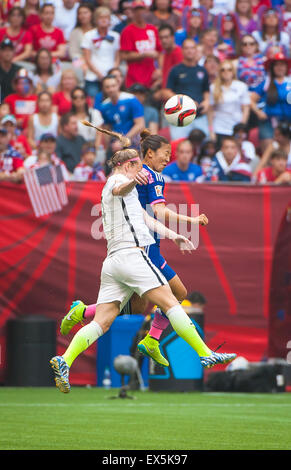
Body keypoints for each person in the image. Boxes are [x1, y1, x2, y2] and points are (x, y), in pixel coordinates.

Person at [51, 131, 236, 393]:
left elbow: (147, 219)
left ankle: (64, 359)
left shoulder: (128, 193)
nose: (142, 171)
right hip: (132, 256)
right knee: (173, 300)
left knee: (102, 322)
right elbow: (119, 187)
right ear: (127, 166)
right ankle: (204, 352)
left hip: (112, 263)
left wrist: (177, 236)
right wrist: (130, 182)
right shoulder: (118, 182)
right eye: (137, 165)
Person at [164, 38, 210, 140]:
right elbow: (166, 92)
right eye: (186, 48)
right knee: (179, 145)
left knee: (205, 144)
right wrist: (186, 101)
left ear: (196, 50)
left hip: (199, 116)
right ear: (182, 51)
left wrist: (206, 101)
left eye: (192, 48)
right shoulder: (175, 70)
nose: (189, 51)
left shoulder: (202, 70)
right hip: (180, 116)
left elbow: (206, 90)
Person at [250, 52, 291, 150]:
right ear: (272, 67)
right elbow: (251, 100)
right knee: (269, 151)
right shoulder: (266, 82)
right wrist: (258, 112)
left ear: (286, 67)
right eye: (276, 65)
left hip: (287, 123)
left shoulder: (290, 82)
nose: (279, 67)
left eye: (282, 65)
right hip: (268, 122)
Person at [120, 1, 162, 89]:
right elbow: (124, 55)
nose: (140, 13)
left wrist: (160, 69)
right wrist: (144, 54)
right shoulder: (127, 31)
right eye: (136, 10)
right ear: (132, 12)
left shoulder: (152, 29)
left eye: (142, 10)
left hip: (152, 77)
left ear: (146, 11)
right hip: (134, 78)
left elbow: (160, 52)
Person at [208, 60, 250, 146]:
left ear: (233, 72)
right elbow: (210, 110)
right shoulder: (213, 87)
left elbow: (246, 107)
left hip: (236, 126)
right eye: (223, 70)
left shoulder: (241, 86)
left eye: (229, 69)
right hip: (219, 127)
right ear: (219, 72)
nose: (226, 72)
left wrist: (242, 126)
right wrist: (211, 130)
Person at [81, 6, 120, 99]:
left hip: (111, 76)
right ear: (95, 20)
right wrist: (98, 73)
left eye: (106, 18)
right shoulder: (88, 35)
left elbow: (117, 57)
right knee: (93, 101)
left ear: (110, 20)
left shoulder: (115, 36)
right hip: (93, 76)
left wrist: (113, 72)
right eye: (101, 18)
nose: (103, 20)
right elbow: (87, 58)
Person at [97, 74, 145, 148]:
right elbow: (107, 128)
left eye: (113, 86)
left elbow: (140, 124)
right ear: (103, 89)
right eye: (107, 87)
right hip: (116, 141)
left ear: (118, 85)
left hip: (133, 139)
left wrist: (124, 140)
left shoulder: (131, 99)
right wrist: (108, 147)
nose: (111, 89)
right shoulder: (104, 106)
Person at [158, 24, 183, 90]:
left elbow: (180, 80)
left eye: (166, 37)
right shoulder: (165, 53)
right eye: (161, 38)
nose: (163, 41)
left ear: (173, 37)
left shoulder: (178, 53)